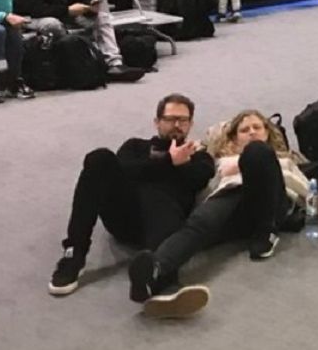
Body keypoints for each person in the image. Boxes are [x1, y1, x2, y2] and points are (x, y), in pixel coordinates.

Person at [49, 94, 216, 318]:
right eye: (170, 119)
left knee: (158, 196)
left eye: (183, 120)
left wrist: (181, 163)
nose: (177, 125)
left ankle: (159, 278)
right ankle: (74, 255)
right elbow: (124, 170)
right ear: (157, 122)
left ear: (191, 124)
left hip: (164, 224)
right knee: (99, 158)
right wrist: (169, 162)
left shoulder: (199, 156)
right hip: (126, 217)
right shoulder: (136, 146)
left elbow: (199, 178)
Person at [128, 109, 309, 308]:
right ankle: (154, 273)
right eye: (244, 130)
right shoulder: (220, 161)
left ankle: (266, 234)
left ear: (267, 132)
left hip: (270, 204)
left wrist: (246, 165)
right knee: (199, 223)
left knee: (257, 152)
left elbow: (306, 191)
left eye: (257, 127)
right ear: (234, 139)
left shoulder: (284, 161)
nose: (251, 132)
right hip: (232, 202)